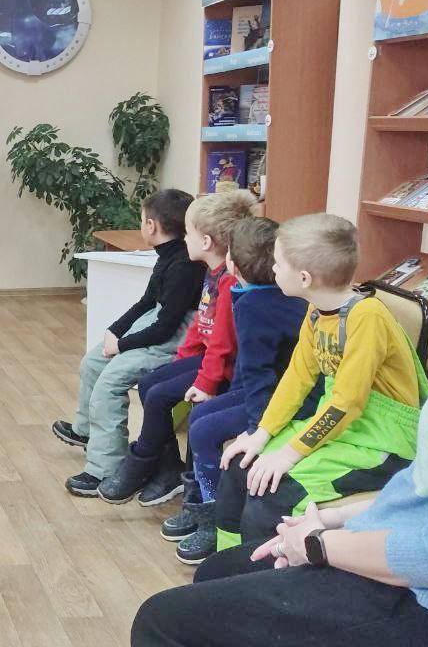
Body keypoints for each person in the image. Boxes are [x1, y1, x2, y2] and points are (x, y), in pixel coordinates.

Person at [131, 366, 428, 646]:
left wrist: (317, 543)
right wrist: (334, 518)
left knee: (159, 623)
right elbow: (425, 490)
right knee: (216, 569)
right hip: (402, 539)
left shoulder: (364, 320)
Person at [216, 213, 428, 549]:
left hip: (386, 442)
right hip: (345, 427)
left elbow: (347, 403)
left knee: (273, 494)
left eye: (278, 262)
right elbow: (297, 378)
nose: (273, 268)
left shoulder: (367, 317)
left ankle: (260, 572)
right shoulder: (316, 311)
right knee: (238, 468)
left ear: (304, 278)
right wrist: (263, 433)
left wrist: (288, 455)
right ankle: (225, 566)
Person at [161, 217, 314, 564]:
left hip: (279, 400)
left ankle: (214, 517)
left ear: (232, 264)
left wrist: (259, 430)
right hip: (265, 392)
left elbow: (260, 375)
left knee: (203, 429)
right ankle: (198, 502)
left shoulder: (256, 305)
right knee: (200, 417)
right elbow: (252, 369)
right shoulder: (255, 296)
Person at [99, 190, 255, 505]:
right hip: (207, 361)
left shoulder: (228, 281)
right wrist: (180, 363)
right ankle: (167, 467)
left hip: (222, 369)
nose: (184, 240)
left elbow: (222, 343)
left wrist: (205, 384)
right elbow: (200, 325)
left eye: (188, 234)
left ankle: (142, 461)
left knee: (158, 395)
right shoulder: (212, 273)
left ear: (206, 242)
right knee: (149, 384)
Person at [53, 189, 206, 496]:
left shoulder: (184, 266)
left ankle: (105, 468)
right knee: (93, 361)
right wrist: (115, 331)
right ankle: (86, 432)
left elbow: (165, 328)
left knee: (110, 383)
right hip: (158, 325)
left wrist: (122, 346)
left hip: (173, 336)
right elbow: (148, 301)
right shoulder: (167, 255)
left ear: (151, 225)